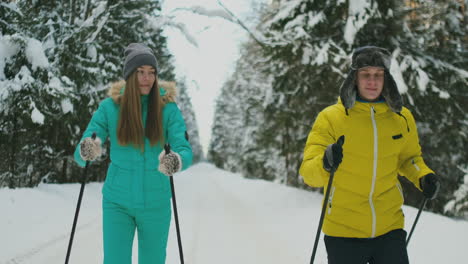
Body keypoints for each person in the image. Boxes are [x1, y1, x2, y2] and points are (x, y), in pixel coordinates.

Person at [299, 46, 440, 264]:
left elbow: (409, 158)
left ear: (387, 79)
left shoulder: (401, 118)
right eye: (365, 74)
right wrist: (325, 162)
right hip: (343, 231)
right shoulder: (331, 118)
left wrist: (423, 176)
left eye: (378, 75)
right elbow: (309, 173)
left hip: (389, 228)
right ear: (354, 78)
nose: (372, 81)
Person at [74, 43, 193, 264]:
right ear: (129, 74)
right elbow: (82, 149)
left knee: (153, 260)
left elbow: (184, 150)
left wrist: (175, 160)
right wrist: (87, 149)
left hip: (156, 203)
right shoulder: (110, 108)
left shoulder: (167, 109)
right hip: (117, 202)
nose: (147, 78)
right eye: (140, 72)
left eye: (151, 72)